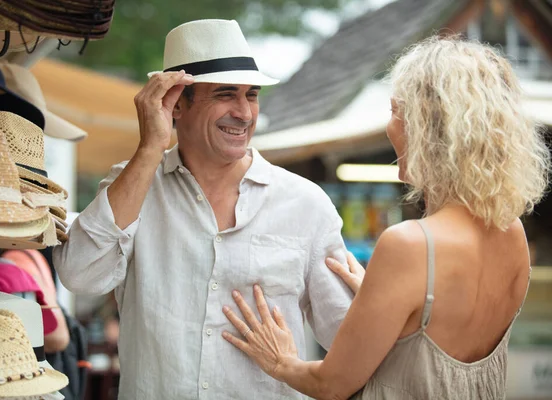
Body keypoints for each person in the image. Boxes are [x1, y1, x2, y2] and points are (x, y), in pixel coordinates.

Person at [222, 36, 550, 399]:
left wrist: (280, 361)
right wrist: (383, 300)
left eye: (396, 110)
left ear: (426, 126)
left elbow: (331, 384)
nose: (390, 126)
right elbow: (445, 335)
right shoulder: (512, 233)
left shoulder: (410, 245)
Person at [54, 19, 353, 399]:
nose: (244, 112)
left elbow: (348, 338)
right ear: (176, 103)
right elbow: (79, 275)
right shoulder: (133, 186)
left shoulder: (305, 203)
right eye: (226, 94)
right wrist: (149, 149)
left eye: (252, 94)